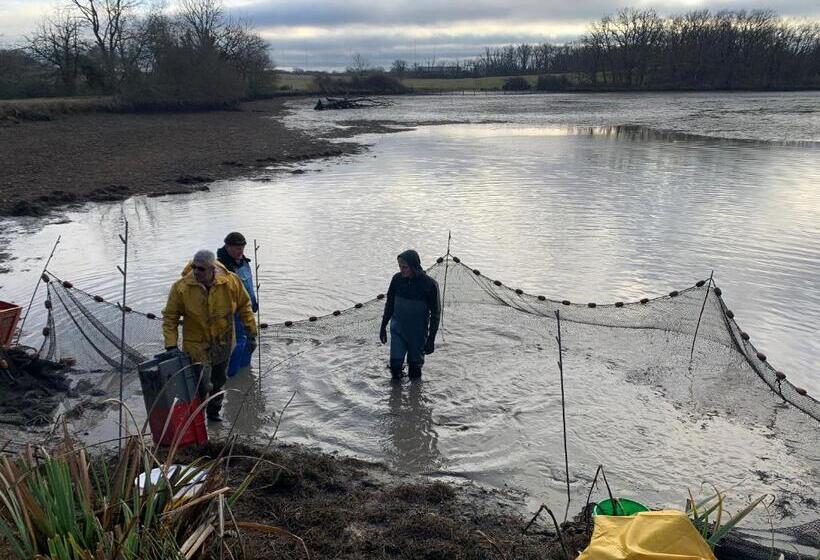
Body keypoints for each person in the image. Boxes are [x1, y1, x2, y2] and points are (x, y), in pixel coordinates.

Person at [162, 250, 257, 422]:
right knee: (200, 385)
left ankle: (213, 415)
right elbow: (170, 318)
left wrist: (251, 333)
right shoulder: (181, 288)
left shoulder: (231, 282)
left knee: (219, 381)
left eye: (201, 269)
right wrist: (171, 345)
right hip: (196, 347)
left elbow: (245, 306)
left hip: (223, 342)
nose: (196, 272)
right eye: (194, 268)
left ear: (212, 268)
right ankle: (196, 420)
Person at [379, 249, 441, 381]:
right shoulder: (397, 280)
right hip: (398, 331)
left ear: (414, 266)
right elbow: (389, 304)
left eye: (405, 267)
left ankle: (415, 393)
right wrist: (383, 326)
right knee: (395, 368)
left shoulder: (429, 285)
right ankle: (396, 397)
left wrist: (431, 339)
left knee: (415, 371)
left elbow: (435, 314)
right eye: (400, 267)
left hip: (417, 334)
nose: (402, 270)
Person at [216, 232, 258, 378]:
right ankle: (231, 376)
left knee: (250, 342)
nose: (240, 251)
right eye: (237, 248)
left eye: (242, 248)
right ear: (227, 247)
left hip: (247, 308)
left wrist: (253, 301)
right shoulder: (221, 267)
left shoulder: (244, 261)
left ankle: (246, 374)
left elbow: (248, 285)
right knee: (240, 342)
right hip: (233, 311)